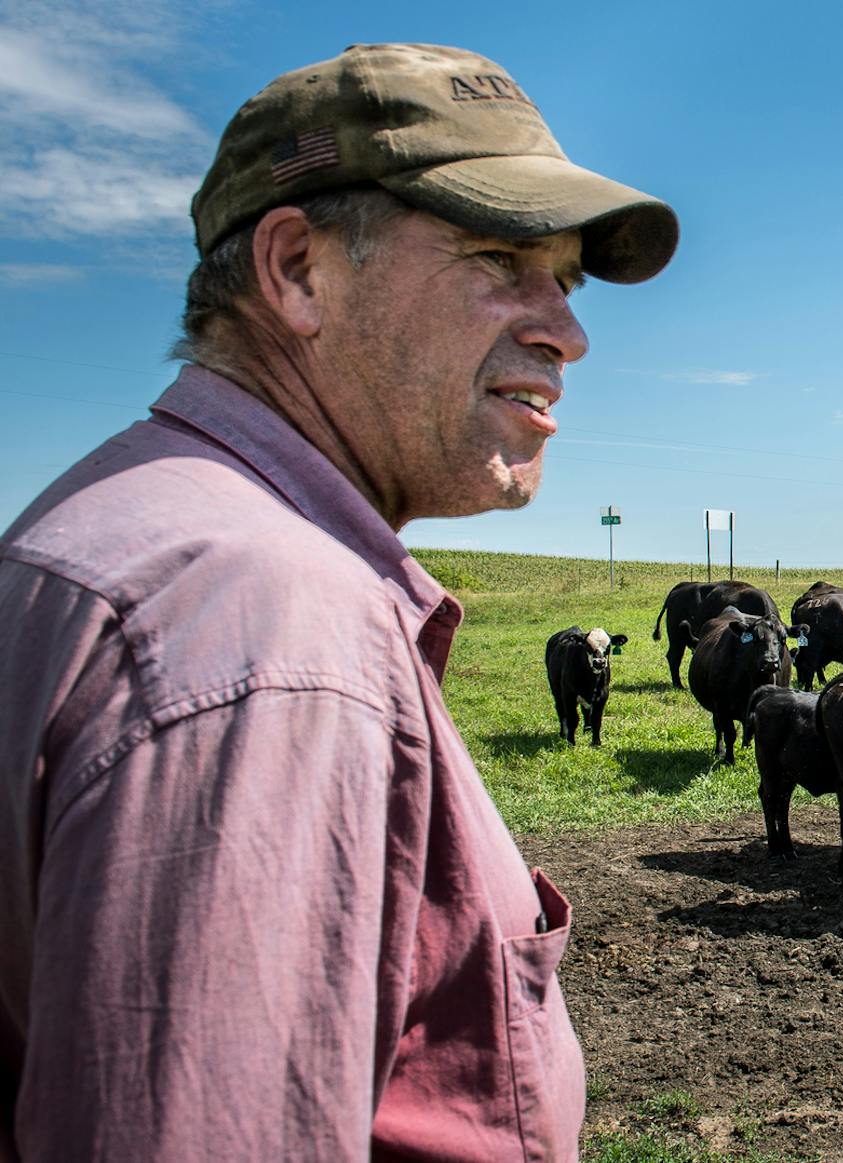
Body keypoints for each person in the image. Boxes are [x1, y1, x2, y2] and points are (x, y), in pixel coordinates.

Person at [0, 43, 676, 1160]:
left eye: (568, 277)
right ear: (298, 271)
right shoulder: (267, 630)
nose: (567, 329)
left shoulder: (101, 531)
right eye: (501, 255)